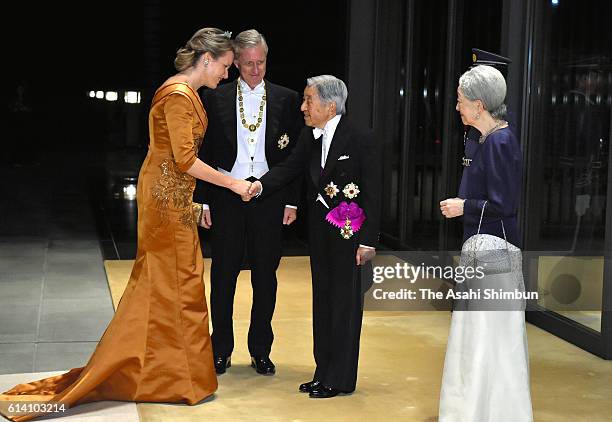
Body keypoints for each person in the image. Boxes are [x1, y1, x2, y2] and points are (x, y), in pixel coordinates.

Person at [0, 28, 253, 422]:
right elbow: (185, 161)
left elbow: (176, 162)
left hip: (172, 197)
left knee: (171, 286)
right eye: (225, 66)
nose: (227, 74)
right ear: (206, 60)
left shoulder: (183, 93)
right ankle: (176, 378)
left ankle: (165, 375)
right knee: (178, 284)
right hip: (165, 202)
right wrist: (234, 184)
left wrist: (193, 201)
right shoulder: (179, 96)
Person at [249, 75, 382, 398]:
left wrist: (368, 241)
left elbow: (375, 193)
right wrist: (259, 186)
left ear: (330, 105)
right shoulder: (311, 137)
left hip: (351, 235)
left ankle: (340, 378)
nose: (303, 106)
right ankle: (323, 372)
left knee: (344, 305)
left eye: (309, 100)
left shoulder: (361, 138)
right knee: (322, 301)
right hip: (321, 233)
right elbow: (289, 168)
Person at [193, 29, 303, 375]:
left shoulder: (287, 98)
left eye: (262, 62)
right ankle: (220, 349)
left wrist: (291, 201)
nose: (256, 70)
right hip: (226, 196)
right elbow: (203, 152)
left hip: (269, 198)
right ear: (236, 62)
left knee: (265, 277)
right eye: (249, 63)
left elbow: (296, 157)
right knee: (223, 275)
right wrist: (204, 203)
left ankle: (261, 349)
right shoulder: (215, 98)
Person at [438, 65, 533, 421]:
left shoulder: (500, 142)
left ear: (479, 105)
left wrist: (465, 206)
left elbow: (504, 205)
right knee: (480, 336)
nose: (457, 107)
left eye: (460, 101)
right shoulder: (488, 139)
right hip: (486, 250)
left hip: (495, 253)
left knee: (488, 338)